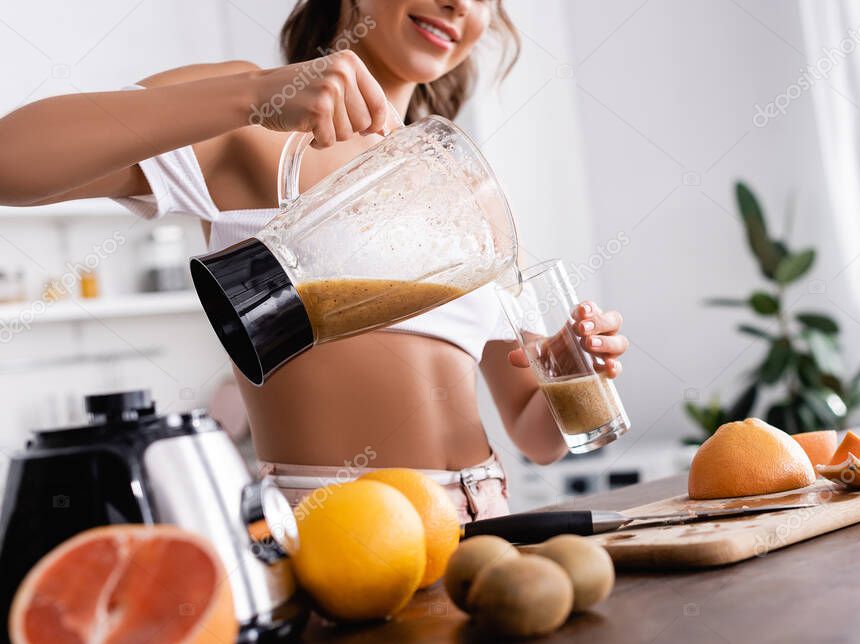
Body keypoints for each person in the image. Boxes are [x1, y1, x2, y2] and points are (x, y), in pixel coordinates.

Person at [0, 0, 629, 521]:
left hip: (482, 520)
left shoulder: (474, 195)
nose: (457, 4)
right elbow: (11, 161)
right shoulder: (255, 132)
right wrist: (247, 95)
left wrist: (572, 366)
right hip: (329, 528)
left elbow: (533, 434)